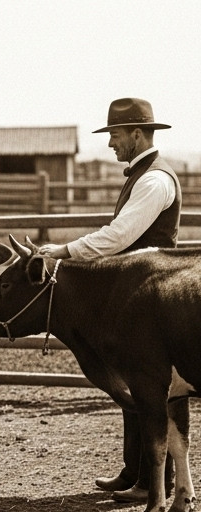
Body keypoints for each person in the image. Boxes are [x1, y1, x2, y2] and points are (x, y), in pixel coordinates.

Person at [38, 97, 180, 504]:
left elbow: (119, 236)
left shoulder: (155, 180)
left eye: (116, 135)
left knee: (150, 387)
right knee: (135, 383)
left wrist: (64, 251)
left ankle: (154, 482)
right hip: (136, 287)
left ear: (137, 134)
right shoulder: (142, 174)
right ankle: (134, 472)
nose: (111, 143)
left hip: (152, 291)